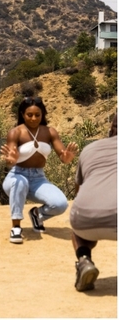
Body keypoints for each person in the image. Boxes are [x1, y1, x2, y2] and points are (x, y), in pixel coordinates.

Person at [0, 96, 78, 245]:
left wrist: (68, 157)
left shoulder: (50, 132)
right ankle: (16, 227)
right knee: (21, 182)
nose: (34, 118)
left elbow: (63, 156)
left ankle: (37, 215)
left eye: (38, 115)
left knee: (60, 204)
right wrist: (12, 160)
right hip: (16, 176)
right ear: (22, 114)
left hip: (38, 178)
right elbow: (10, 160)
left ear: (42, 115)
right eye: (29, 115)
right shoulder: (16, 132)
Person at [69, 113, 117, 291]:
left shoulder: (89, 149)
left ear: (111, 128)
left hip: (85, 219)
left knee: (79, 229)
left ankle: (84, 260)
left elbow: (78, 192)